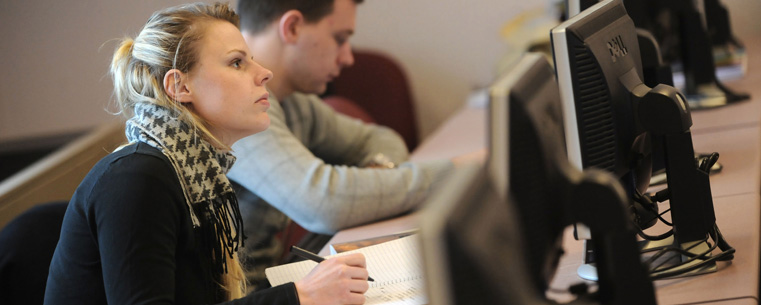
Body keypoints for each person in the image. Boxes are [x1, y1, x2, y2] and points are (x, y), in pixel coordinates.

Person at [43, 3, 369, 304]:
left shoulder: (196, 170)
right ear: (180, 87)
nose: (264, 73)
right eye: (237, 62)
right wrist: (300, 296)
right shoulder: (137, 178)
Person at [231, 0, 485, 289]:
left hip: (280, 286)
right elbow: (325, 202)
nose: (348, 58)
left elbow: (380, 139)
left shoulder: (295, 103)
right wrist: (455, 171)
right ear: (292, 27)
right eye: (340, 39)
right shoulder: (236, 105)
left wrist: (376, 178)